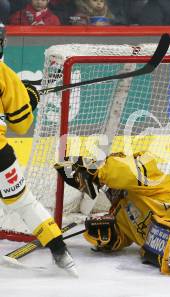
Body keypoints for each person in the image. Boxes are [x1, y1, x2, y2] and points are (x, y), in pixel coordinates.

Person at [0, 25, 76, 275]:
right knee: (24, 202)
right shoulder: (4, 74)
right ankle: (60, 251)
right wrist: (29, 97)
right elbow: (20, 125)